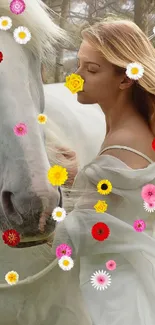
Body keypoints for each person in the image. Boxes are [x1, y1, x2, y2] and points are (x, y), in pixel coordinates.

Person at [50, 19, 155, 325]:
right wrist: (80, 178)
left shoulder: (119, 150)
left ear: (125, 79)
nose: (76, 76)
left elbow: (70, 241)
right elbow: (124, 210)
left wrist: (52, 192)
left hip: (110, 302)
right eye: (78, 64)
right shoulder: (138, 130)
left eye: (91, 69)